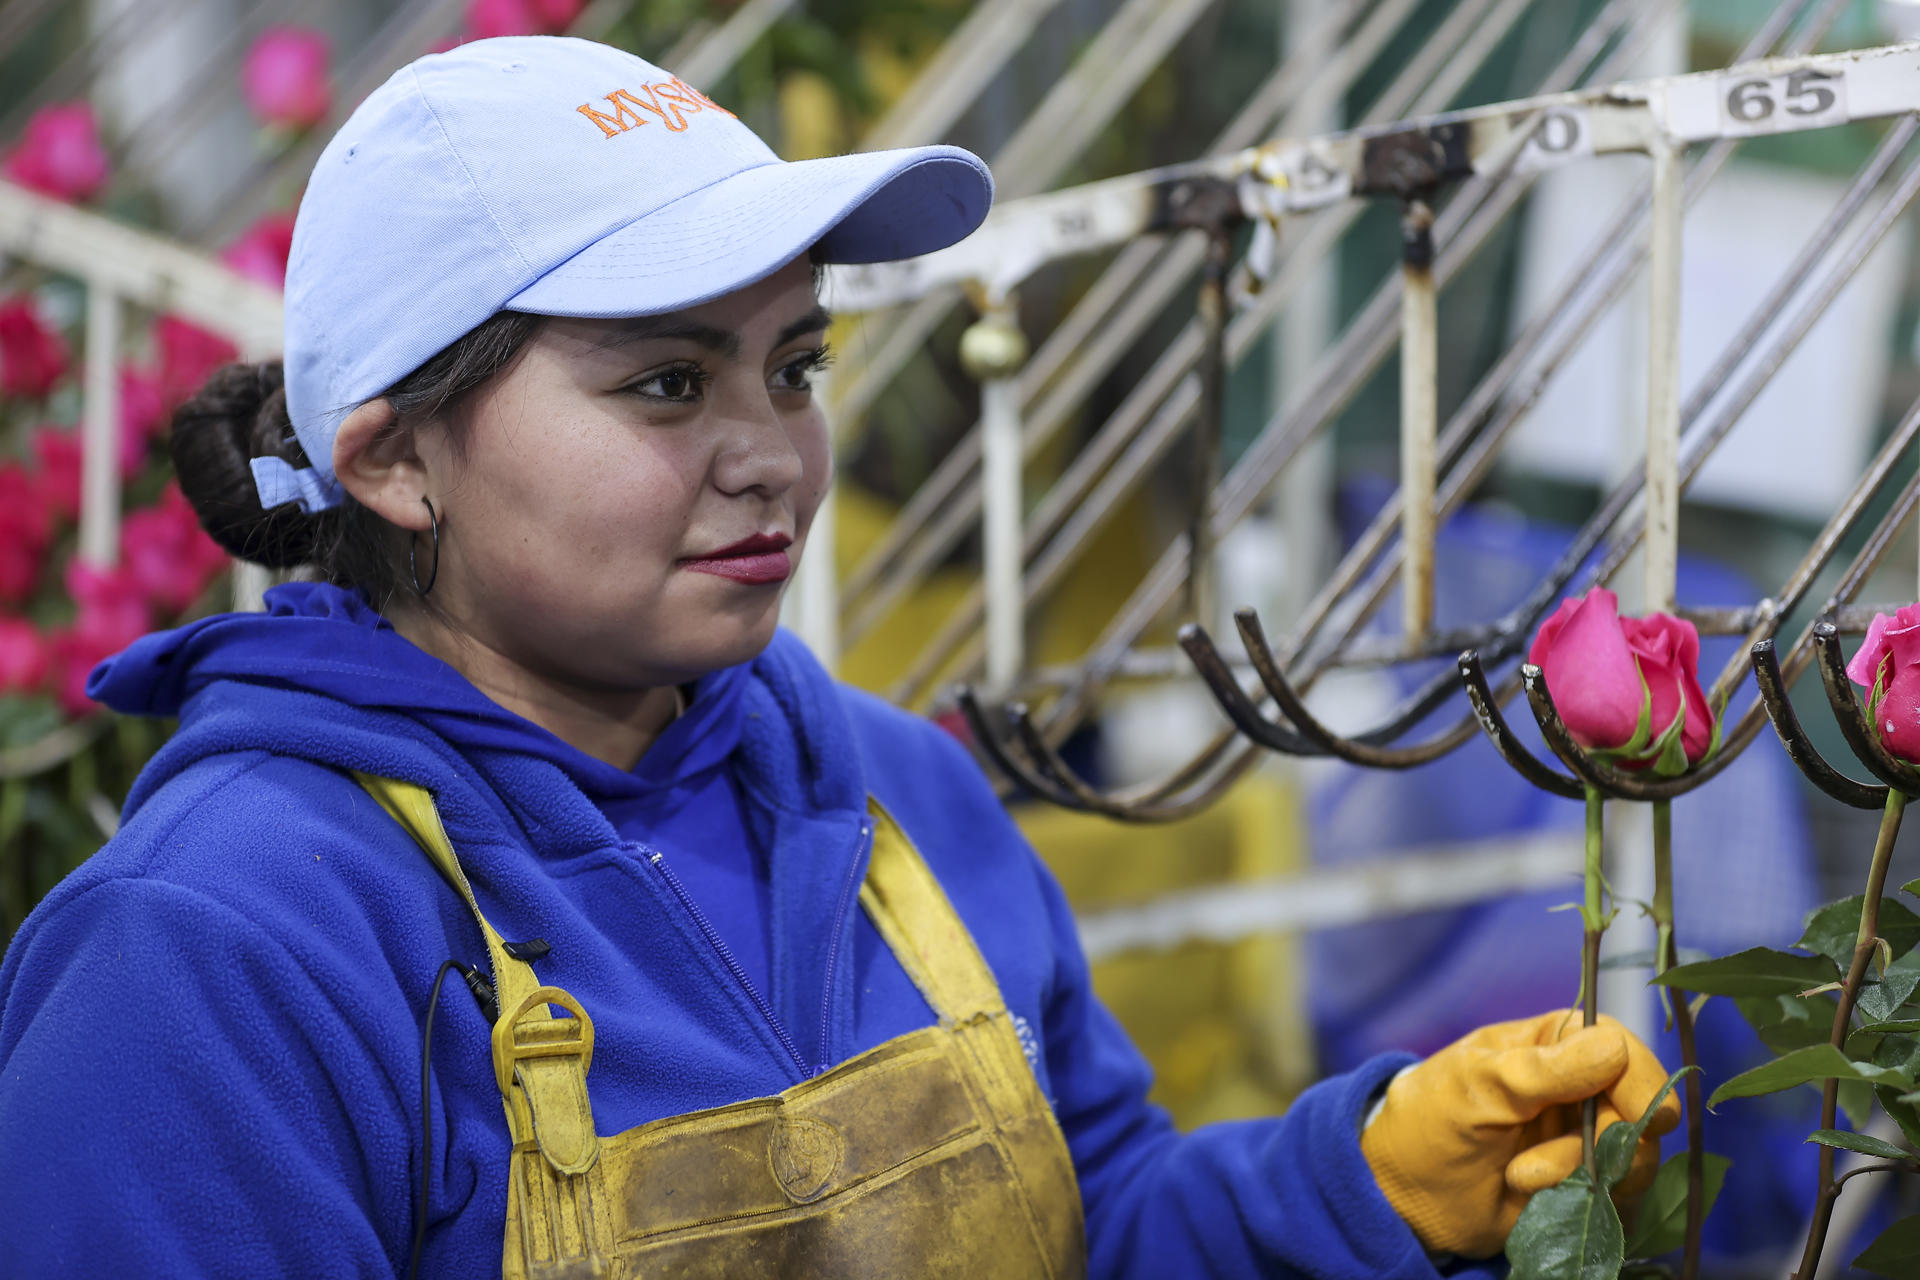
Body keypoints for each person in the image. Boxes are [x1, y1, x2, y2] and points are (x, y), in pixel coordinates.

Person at [0, 35, 1676, 1279]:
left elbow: (1097, 1225)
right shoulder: (221, 952)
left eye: (790, 367)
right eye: (667, 384)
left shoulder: (888, 794)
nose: (772, 457)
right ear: (393, 462)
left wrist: (1356, 1188)